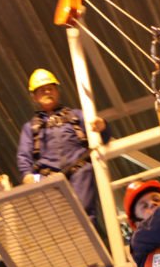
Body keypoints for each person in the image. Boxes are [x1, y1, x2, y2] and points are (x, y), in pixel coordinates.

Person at [17, 69, 107, 229]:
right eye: (41, 90)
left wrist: (103, 126)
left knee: (85, 217)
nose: (47, 92)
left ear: (57, 91)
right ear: (34, 96)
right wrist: (28, 175)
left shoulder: (77, 116)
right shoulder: (30, 128)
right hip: (47, 179)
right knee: (57, 224)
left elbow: (100, 137)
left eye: (50, 88)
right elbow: (24, 156)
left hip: (80, 171)